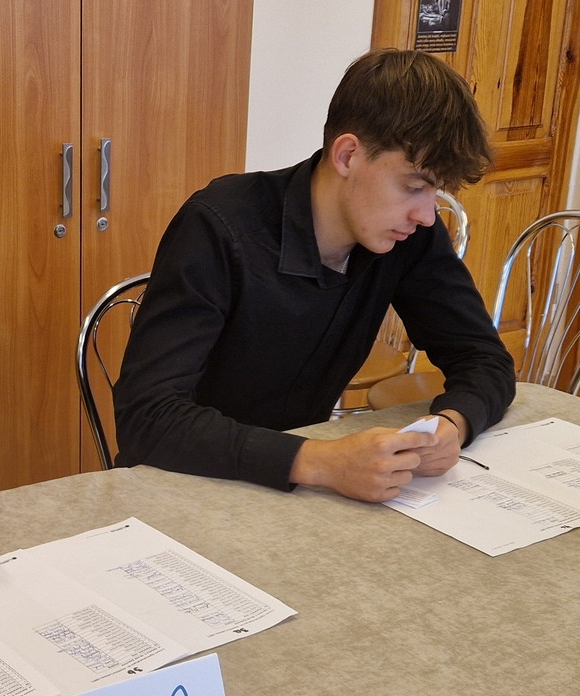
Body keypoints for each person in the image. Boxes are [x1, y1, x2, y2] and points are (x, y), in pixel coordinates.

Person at [114, 48, 516, 501]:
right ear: (347, 155)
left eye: (435, 191)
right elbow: (147, 418)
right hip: (177, 486)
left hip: (297, 496)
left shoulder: (409, 237)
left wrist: (452, 424)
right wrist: (322, 461)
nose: (426, 214)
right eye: (414, 186)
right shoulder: (220, 226)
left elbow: (484, 359)